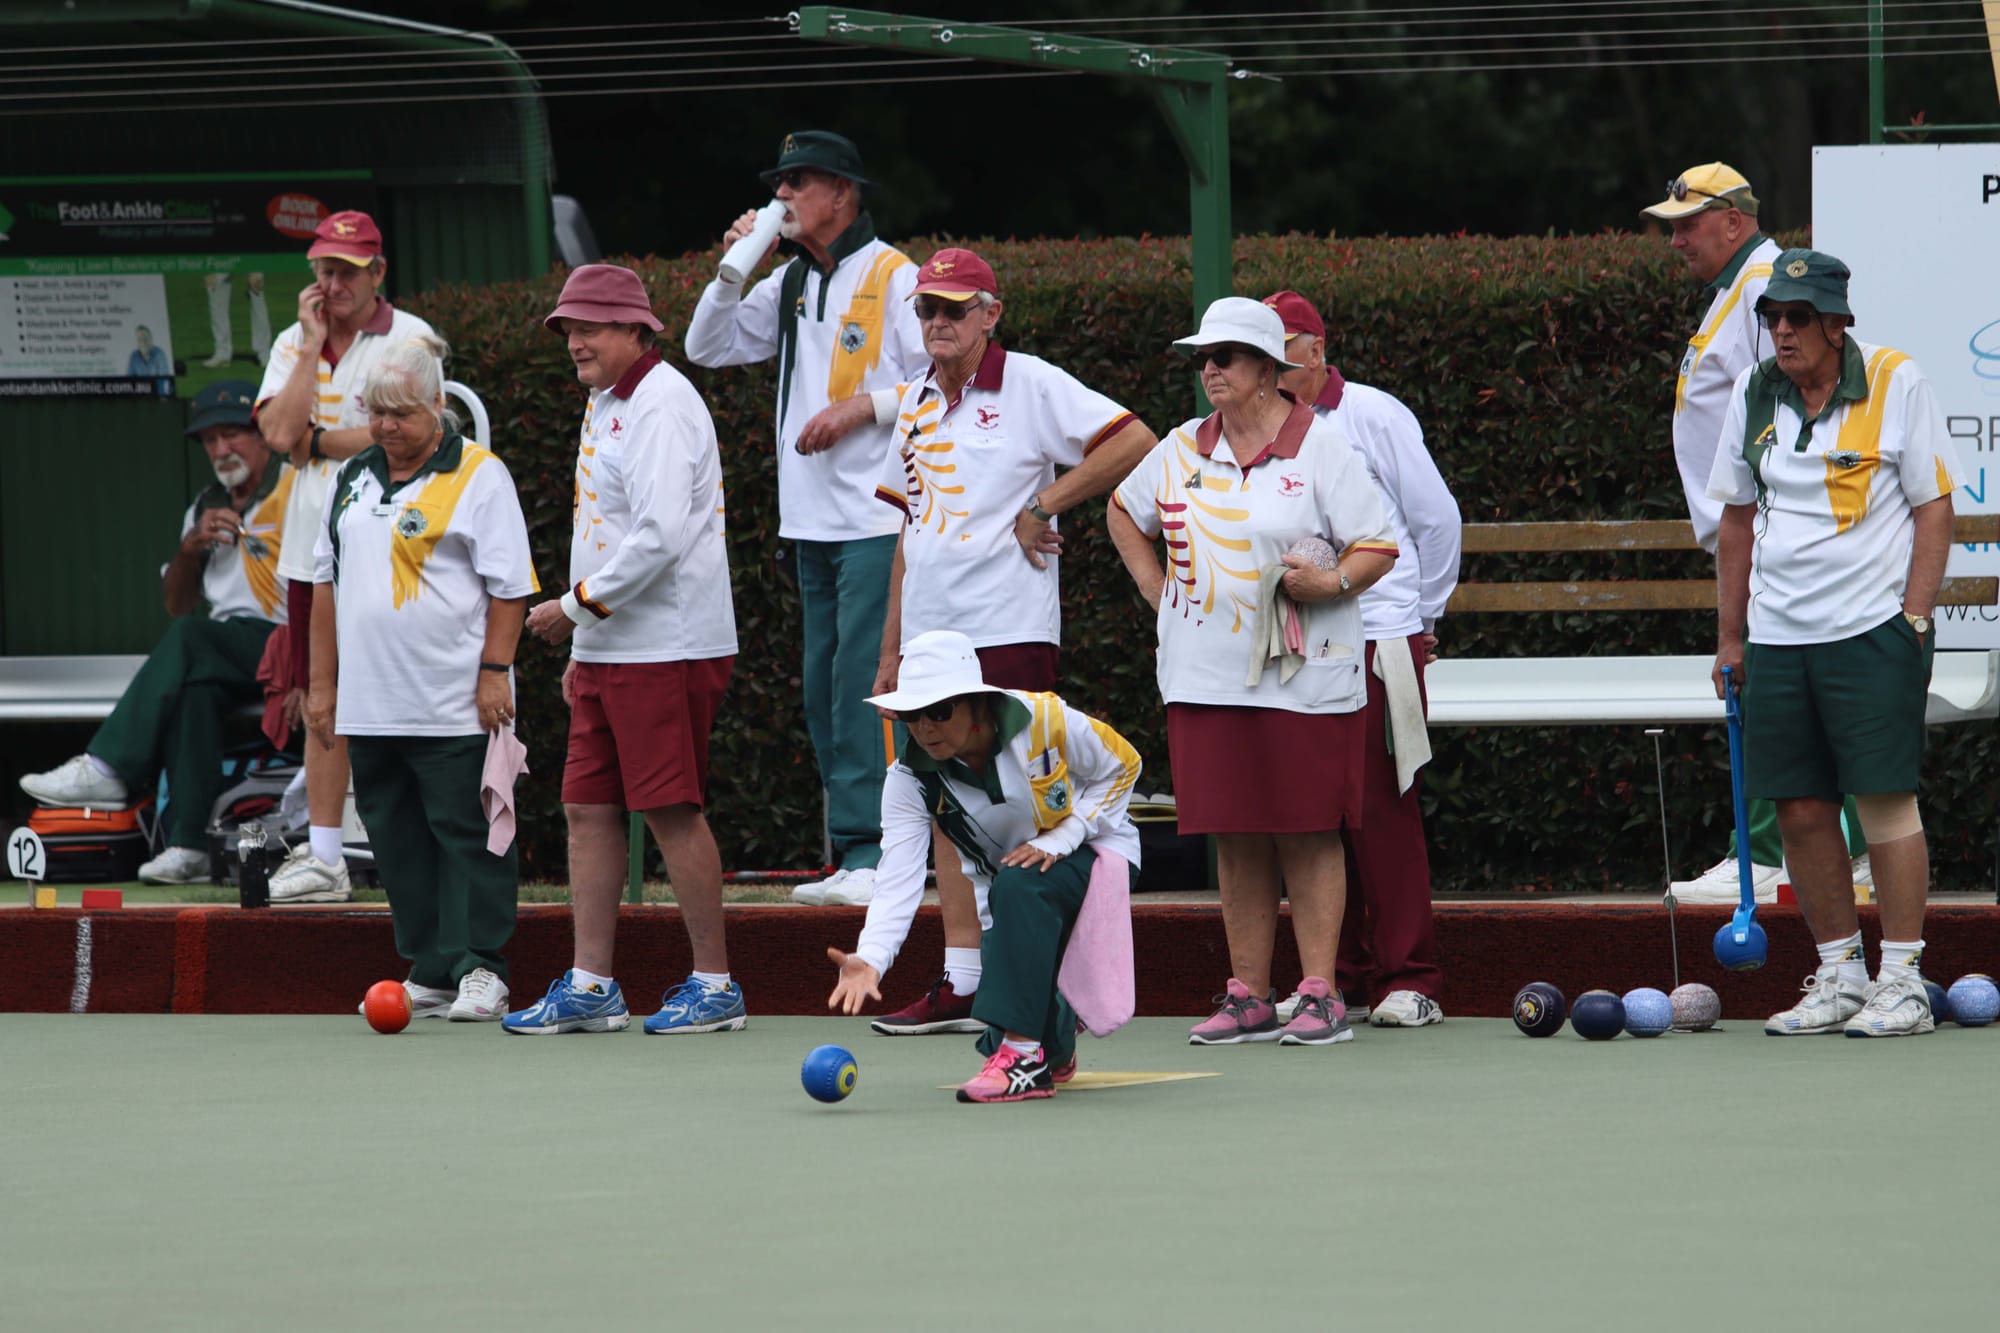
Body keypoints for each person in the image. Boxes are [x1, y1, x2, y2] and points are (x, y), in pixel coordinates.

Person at [865, 246, 1156, 1037]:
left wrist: (1045, 503)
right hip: (930, 644)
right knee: (943, 807)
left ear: (990, 315)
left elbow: (1134, 439)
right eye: (927, 308)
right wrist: (890, 650)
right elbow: (908, 532)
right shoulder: (915, 399)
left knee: (1026, 804)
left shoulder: (1030, 382)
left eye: (954, 308)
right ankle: (966, 977)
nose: (938, 321)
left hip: (1009, 627)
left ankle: (1044, 989)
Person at [1107, 297, 1398, 1048]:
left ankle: (1321, 994)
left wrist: (1331, 583)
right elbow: (1122, 510)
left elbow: (1377, 543)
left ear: (1268, 369)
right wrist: (1156, 590)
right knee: (1234, 834)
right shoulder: (1179, 447)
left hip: (1308, 676)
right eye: (1202, 358)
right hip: (1202, 674)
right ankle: (1249, 996)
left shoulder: (1321, 446)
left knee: (1308, 830)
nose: (1209, 369)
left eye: (1225, 357)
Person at [1706, 249, 1965, 1038]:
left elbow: (1934, 506)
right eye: (1772, 317)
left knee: (1884, 801)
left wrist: (1914, 618)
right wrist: (1729, 637)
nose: (1781, 331)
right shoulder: (1755, 391)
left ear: (1836, 322)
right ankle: (1842, 974)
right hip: (1777, 637)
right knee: (1799, 806)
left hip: (1870, 631)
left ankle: (1904, 980)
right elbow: (1736, 518)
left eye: (1798, 317)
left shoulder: (1894, 378)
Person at [685, 131, 929, 908]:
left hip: (876, 519)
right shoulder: (790, 279)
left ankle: (882, 851)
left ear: (842, 194)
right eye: (779, 183)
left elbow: (942, 379)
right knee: (824, 688)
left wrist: (863, 407)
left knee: (866, 681)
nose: (782, 196)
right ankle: (854, 849)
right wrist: (736, 268)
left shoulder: (894, 274)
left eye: (798, 182)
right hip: (810, 522)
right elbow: (705, 345)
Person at [503, 265, 743, 1037]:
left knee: (671, 809)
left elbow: (659, 536)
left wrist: (573, 610)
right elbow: (608, 532)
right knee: (585, 806)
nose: (575, 341)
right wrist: (588, 640)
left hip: (668, 643)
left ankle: (716, 986)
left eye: (591, 327)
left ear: (637, 330)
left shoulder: (662, 403)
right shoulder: (607, 400)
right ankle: (592, 984)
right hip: (613, 645)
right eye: (568, 329)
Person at [1642, 163, 1870, 905]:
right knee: (1786, 691)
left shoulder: (1766, 287)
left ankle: (1769, 854)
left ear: (1733, 221)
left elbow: (1800, 401)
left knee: (1775, 690)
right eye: (1672, 227)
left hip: (1772, 528)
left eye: (1688, 224)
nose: (1676, 240)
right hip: (1753, 528)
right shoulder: (1736, 290)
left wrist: (1767, 513)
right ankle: (1832, 850)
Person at [307, 336, 537, 1023]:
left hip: (453, 701)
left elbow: (511, 588)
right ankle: (432, 969)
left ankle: (482, 967)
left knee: (469, 834)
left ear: (438, 404)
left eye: (400, 413)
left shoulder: (479, 474)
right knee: (397, 839)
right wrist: (322, 685)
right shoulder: (351, 477)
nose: (385, 426)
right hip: (372, 704)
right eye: (375, 413)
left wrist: (494, 672)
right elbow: (324, 584)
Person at [827, 630, 1143, 1102]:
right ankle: (1050, 1041)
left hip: (1098, 855)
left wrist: (1063, 838)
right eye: (912, 715)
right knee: (1024, 1025)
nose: (925, 728)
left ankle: (1021, 1060)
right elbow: (898, 880)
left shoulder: (1045, 719)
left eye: (939, 711)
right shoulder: (908, 780)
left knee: (1019, 888)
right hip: (1008, 895)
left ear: (976, 704)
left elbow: (1124, 764)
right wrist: (871, 958)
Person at [1265, 290, 1461, 1029]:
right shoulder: (1261, 426)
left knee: (1384, 808)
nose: (1271, 366)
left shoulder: (1373, 413)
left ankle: (1411, 978)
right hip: (1301, 642)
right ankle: (1334, 978)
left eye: (1283, 350)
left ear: (1317, 350)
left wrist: (1424, 615)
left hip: (1380, 634)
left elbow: (1436, 520)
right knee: (1315, 814)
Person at [20, 382, 293, 883]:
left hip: (289, 639)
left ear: (263, 436)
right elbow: (176, 603)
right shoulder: (206, 503)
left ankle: (108, 768)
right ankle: (190, 848)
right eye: (209, 440)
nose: (220, 450)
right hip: (226, 649)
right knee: (193, 688)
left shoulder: (293, 486)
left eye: (231, 435)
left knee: (192, 638)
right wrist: (190, 548)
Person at [256, 209, 437, 905]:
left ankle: (416, 848)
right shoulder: (292, 340)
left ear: (378, 272)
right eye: (323, 271)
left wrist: (319, 441)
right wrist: (309, 349)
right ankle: (327, 856)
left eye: (347, 272)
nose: (333, 285)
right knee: (321, 700)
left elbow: (408, 431)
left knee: (406, 693)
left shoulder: (411, 335)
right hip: (313, 551)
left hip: (393, 545)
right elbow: (279, 435)